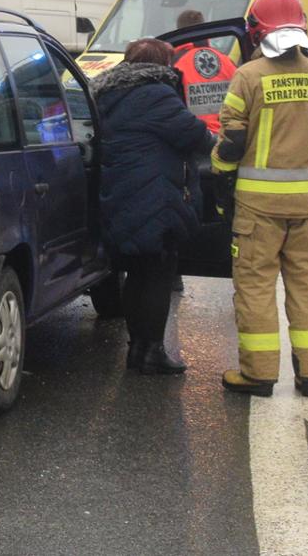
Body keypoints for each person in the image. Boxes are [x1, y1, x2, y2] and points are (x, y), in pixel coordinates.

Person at [212, 0, 308, 398]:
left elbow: (232, 143)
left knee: (255, 288)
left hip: (257, 208)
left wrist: (221, 185)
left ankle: (258, 374)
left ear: (257, 31)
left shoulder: (248, 76)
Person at [95, 37, 218, 375]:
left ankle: (138, 349)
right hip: (155, 197)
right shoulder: (155, 94)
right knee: (157, 273)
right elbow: (196, 136)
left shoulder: (108, 92)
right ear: (162, 65)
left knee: (137, 272)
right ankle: (151, 351)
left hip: (122, 193)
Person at [170, 9, 238, 134]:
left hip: (195, 135)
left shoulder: (174, 63)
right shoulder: (225, 60)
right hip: (227, 135)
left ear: (179, 30)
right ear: (204, 27)